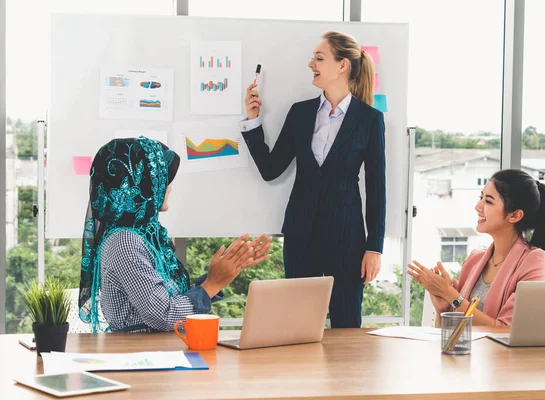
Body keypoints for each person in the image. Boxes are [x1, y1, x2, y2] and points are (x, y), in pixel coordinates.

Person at [240, 31, 386, 328]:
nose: (311, 64)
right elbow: (271, 169)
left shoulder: (369, 119)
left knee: (346, 325)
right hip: (300, 235)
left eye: (319, 58)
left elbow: (377, 189)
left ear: (342, 66)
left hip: (347, 240)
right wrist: (253, 120)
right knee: (298, 324)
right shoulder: (301, 113)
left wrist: (375, 248)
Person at [79, 137, 272, 333]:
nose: (168, 187)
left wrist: (223, 272)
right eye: (162, 180)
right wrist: (212, 284)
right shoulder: (124, 241)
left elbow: (169, 301)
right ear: (143, 185)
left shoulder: (146, 235)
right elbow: (163, 315)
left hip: (162, 352)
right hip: (142, 357)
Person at [408, 169, 545, 327]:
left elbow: (508, 331)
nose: (478, 206)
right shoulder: (474, 260)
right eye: (481, 198)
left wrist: (450, 295)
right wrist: (443, 310)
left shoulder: (535, 262)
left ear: (514, 216)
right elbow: (450, 336)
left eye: (489, 201)